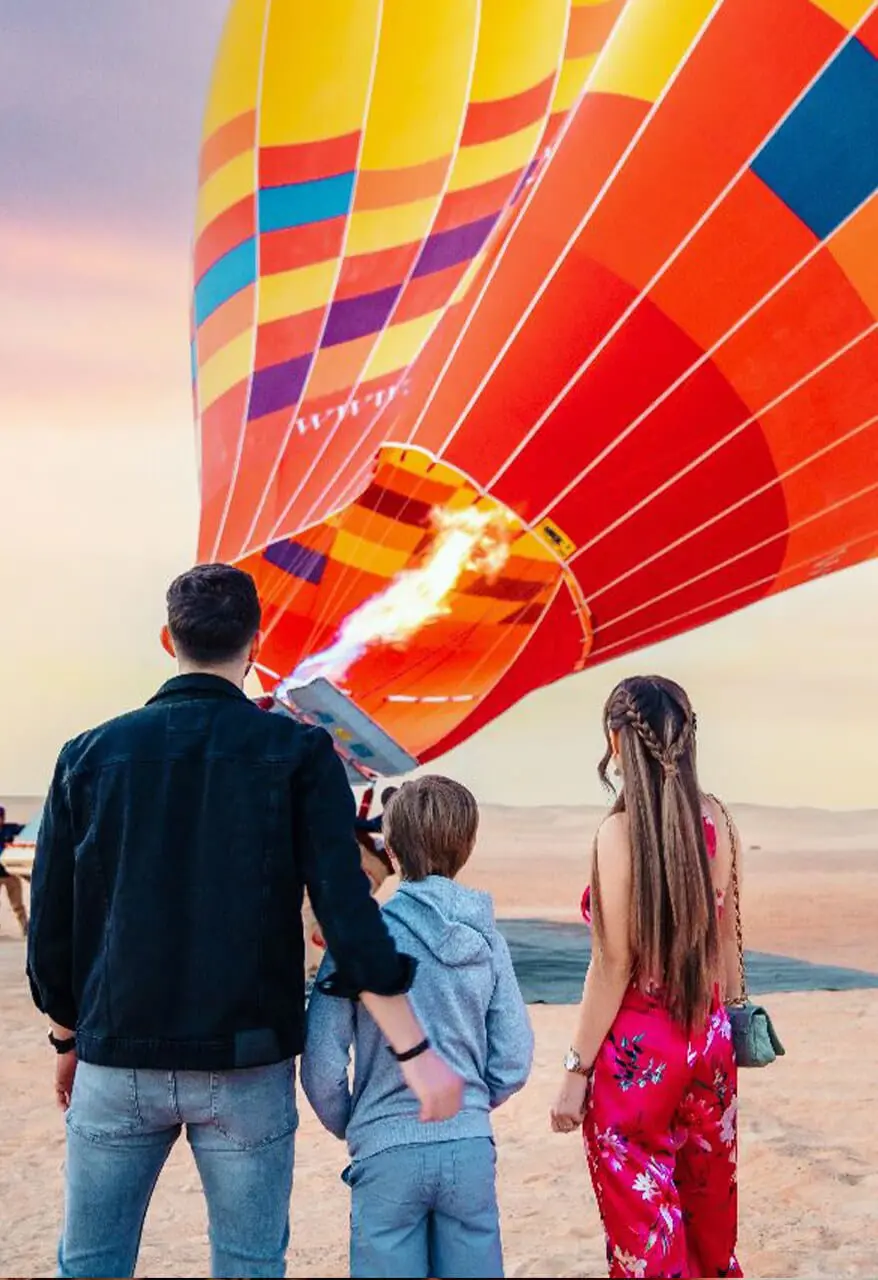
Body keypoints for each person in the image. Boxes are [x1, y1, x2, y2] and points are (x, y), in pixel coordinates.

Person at [26, 563, 463, 1280]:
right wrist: (415, 1052)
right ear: (255, 646)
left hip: (117, 1052)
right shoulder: (297, 754)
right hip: (246, 1062)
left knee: (92, 1264)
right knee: (252, 1265)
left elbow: (53, 927)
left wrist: (67, 1033)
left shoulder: (89, 754)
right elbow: (347, 917)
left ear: (169, 639)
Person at [303, 775, 534, 1280]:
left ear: (394, 847)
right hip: (467, 1145)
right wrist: (470, 1101)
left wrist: (356, 1120)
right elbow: (514, 1056)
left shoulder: (361, 939)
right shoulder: (487, 939)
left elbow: (320, 1062)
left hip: (385, 1152)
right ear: (467, 844)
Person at [550, 676, 743, 1280]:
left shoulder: (617, 834)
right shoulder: (717, 819)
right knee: (711, 1225)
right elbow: (728, 938)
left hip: (639, 1057)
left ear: (617, 739)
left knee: (647, 1236)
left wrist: (575, 1071)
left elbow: (612, 965)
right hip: (707, 1040)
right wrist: (731, 1020)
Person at [0, 805, 29, 936]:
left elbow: (27, 830)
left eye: (1, 818)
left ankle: (26, 930)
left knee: (17, 905)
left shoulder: (9, 829)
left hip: (10, 874)